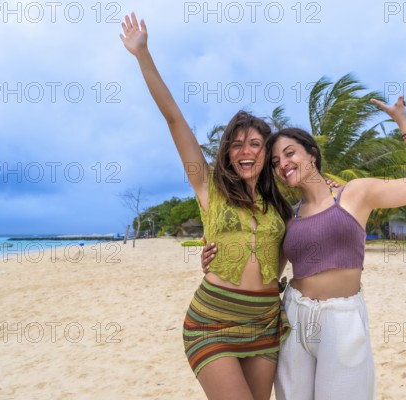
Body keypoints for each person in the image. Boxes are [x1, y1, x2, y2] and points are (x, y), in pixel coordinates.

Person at [202, 96, 406, 399]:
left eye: (290, 153)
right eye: (276, 162)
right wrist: (216, 257)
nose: (284, 164)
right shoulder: (288, 216)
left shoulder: (355, 194)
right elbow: (265, 269)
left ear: (312, 154)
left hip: (341, 318)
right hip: (294, 315)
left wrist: (404, 124)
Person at [119, 13, 292, 400]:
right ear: (226, 151)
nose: (245, 152)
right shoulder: (209, 188)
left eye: (255, 144)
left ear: (266, 152)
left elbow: (290, 248)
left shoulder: (279, 203)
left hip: (264, 325)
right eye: (237, 143)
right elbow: (174, 119)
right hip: (211, 324)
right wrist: (142, 54)